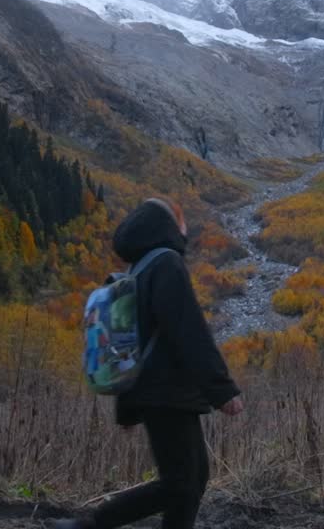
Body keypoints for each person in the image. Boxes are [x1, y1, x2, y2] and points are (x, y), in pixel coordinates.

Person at [56, 198, 244, 529]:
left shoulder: (138, 270)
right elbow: (188, 330)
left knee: (193, 478)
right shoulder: (167, 263)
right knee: (181, 482)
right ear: (169, 226)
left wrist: (127, 409)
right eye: (182, 224)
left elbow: (127, 344)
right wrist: (222, 390)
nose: (186, 231)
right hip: (167, 392)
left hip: (155, 392)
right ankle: (89, 525)